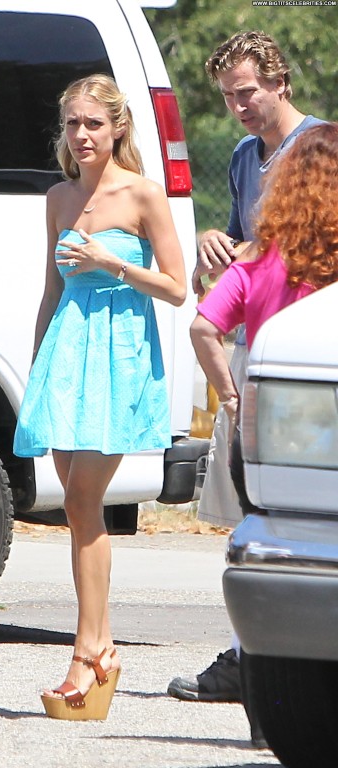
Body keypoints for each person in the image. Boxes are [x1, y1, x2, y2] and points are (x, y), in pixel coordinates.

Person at [13, 74, 186, 720]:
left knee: (84, 500)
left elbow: (177, 288)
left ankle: (86, 654)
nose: (82, 135)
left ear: (117, 128)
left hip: (120, 353)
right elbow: (51, 291)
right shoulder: (59, 197)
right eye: (72, 124)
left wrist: (111, 263)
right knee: (78, 511)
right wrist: (38, 367)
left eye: (93, 123)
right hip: (67, 355)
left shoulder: (141, 193)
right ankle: (102, 648)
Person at [167, 30, 323, 715]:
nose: (239, 106)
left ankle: (268, 662)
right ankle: (247, 657)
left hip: (309, 348)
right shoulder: (241, 156)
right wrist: (215, 242)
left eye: (248, 92)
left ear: (280, 82)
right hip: (256, 343)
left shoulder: (319, 147)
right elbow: (242, 248)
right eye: (229, 96)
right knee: (251, 517)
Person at [190, 120, 338, 742]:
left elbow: (204, 327)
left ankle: (263, 713)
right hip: (327, 431)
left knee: (269, 555)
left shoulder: (257, 257)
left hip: (266, 433)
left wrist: (230, 397)